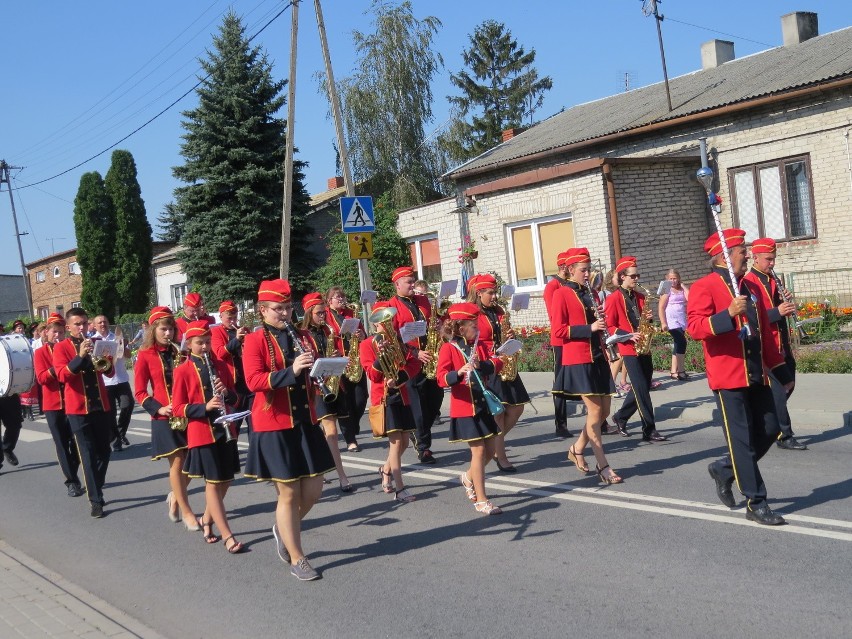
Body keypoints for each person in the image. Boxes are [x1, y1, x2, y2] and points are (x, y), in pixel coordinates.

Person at [687, 228, 793, 526]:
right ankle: (756, 502)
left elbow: (764, 334)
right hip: (728, 375)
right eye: (741, 250)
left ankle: (725, 469)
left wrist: (781, 370)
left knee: (772, 426)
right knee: (742, 441)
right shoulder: (704, 286)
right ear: (724, 255)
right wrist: (727, 314)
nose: (746, 254)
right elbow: (694, 328)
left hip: (756, 372)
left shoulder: (751, 286)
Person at [243, 279, 335, 581]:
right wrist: (291, 370)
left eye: (286, 307)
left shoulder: (303, 335)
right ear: (263, 310)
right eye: (277, 309)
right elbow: (253, 381)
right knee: (288, 492)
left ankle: (283, 529)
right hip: (274, 424)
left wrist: (324, 370)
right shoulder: (255, 340)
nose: (284, 313)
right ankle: (298, 557)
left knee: (314, 489)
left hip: (304, 419)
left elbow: (312, 370)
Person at [551, 247, 623, 485]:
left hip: (597, 355)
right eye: (583, 269)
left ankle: (577, 448)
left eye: (589, 268)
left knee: (603, 412)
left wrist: (597, 318)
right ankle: (603, 465)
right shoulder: (561, 294)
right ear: (571, 270)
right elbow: (558, 331)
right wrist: (588, 328)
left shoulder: (589, 292)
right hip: (578, 358)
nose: (587, 273)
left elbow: (593, 322)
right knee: (594, 413)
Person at [172, 320, 244, 553]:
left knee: (227, 480)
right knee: (213, 483)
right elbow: (177, 408)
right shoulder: (182, 370)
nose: (204, 347)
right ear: (189, 345)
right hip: (202, 432)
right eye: (199, 343)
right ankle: (228, 535)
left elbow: (235, 397)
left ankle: (207, 520)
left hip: (225, 429)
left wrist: (227, 394)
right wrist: (204, 407)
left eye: (207, 342)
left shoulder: (221, 365)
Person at [134, 306, 200, 531]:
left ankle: (174, 496)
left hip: (186, 413)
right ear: (154, 329)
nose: (168, 333)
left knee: (193, 462)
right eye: (163, 329)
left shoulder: (180, 352)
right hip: (164, 417)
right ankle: (187, 511)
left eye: (171, 328)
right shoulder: (145, 355)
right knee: (178, 462)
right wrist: (159, 409)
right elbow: (140, 392)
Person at [436, 302, 504, 515]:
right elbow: (440, 378)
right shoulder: (449, 348)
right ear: (460, 327)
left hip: (483, 404)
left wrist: (479, 365)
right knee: (479, 450)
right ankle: (482, 500)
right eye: (473, 325)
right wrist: (458, 373)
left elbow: (497, 363)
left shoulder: (480, 345)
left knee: (491, 451)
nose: (478, 328)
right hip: (465, 408)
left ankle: (467, 477)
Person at [743, 238, 806, 451]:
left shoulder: (772, 280)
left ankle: (765, 418)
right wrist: (777, 311)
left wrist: (783, 301)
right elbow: (752, 317)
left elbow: (778, 312)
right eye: (768, 259)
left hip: (782, 344)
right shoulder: (749, 282)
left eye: (774, 259)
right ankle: (784, 435)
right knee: (778, 392)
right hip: (765, 348)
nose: (772, 263)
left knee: (789, 385)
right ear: (756, 257)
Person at [53, 307, 115, 518]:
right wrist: (79, 357)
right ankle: (96, 500)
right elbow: (62, 376)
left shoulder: (97, 342)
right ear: (68, 327)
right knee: (87, 454)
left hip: (100, 406)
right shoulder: (61, 348)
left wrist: (106, 360)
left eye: (84, 323)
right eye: (77, 324)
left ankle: (95, 485)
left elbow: (109, 371)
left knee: (105, 452)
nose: (82, 327)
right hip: (78, 409)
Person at [467, 273, 530, 472]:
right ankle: (501, 456)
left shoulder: (499, 310)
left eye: (495, 293)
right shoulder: (472, 313)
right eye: (490, 293)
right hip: (487, 364)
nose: (495, 296)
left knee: (517, 407)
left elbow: (503, 331)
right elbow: (468, 340)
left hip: (504, 361)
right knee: (499, 413)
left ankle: (495, 443)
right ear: (479, 293)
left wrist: (510, 335)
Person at [360, 300, 421, 503]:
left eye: (389, 320)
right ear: (375, 324)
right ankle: (400, 489)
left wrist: (401, 378)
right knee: (396, 444)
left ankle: (386, 470)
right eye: (382, 322)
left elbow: (414, 364)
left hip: (401, 394)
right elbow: (371, 374)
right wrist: (382, 356)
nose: (386, 325)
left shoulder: (398, 341)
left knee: (404, 442)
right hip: (385, 398)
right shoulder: (367, 344)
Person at [605, 257, 668, 442]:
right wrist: (628, 335)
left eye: (637, 275)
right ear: (622, 276)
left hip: (644, 347)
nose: (636, 279)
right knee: (641, 389)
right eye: (633, 276)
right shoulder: (614, 298)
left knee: (642, 387)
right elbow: (609, 326)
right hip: (628, 348)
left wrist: (648, 318)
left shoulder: (640, 297)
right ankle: (649, 429)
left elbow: (642, 322)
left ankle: (621, 417)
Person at [387, 266, 443, 464]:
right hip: (409, 362)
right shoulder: (391, 307)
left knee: (436, 400)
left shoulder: (423, 301)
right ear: (397, 285)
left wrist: (437, 327)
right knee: (418, 407)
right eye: (408, 282)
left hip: (430, 359)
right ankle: (424, 448)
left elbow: (432, 324)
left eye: (413, 281)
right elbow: (392, 337)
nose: (412, 285)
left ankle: (417, 433)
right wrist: (414, 352)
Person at [299, 292, 352, 493]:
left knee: (322, 433)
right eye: (319, 313)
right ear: (309, 313)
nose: (323, 316)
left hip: (333, 384)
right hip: (316, 388)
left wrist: (336, 357)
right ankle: (342, 476)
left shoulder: (328, 331)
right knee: (331, 431)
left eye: (324, 312)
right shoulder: (303, 334)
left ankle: (316, 469)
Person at [33, 313, 83, 496]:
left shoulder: (69, 349)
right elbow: (41, 378)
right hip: (53, 405)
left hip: (72, 402)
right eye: (54, 332)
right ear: (46, 333)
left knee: (78, 443)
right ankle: (71, 481)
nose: (58, 335)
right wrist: (58, 368)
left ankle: (73, 471)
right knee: (61, 444)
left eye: (61, 332)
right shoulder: (40, 353)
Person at [325, 287, 367, 452]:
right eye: (337, 297)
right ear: (330, 301)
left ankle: (352, 427)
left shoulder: (351, 312)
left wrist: (361, 335)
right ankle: (351, 439)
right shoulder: (326, 315)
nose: (341, 299)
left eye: (342, 296)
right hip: (340, 362)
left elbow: (363, 333)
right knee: (346, 401)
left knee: (361, 398)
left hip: (356, 359)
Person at [91, 315, 134, 452]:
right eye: (100, 322)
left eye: (105, 321)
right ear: (94, 325)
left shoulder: (117, 336)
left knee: (128, 405)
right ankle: (116, 441)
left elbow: (128, 355)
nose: (103, 324)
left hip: (121, 378)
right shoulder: (92, 340)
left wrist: (124, 347)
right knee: (110, 414)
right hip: (104, 381)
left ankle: (120, 434)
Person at [211, 300, 251, 438]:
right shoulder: (216, 332)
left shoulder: (243, 331)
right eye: (229, 318)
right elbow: (220, 353)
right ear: (221, 316)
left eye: (235, 317)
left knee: (255, 427)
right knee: (234, 426)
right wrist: (237, 340)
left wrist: (248, 339)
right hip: (233, 385)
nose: (233, 321)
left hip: (248, 383)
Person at [543, 251, 573, 438]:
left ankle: (600, 421)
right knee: (560, 381)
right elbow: (555, 317)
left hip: (577, 337)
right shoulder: (553, 286)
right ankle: (560, 424)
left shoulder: (571, 286)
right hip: (562, 339)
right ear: (564, 268)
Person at [658, 268, 690, 380]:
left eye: (675, 278)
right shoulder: (667, 290)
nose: (673, 281)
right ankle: (681, 370)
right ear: (667, 279)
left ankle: (673, 371)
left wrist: (684, 286)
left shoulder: (681, 289)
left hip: (681, 319)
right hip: (671, 320)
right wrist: (663, 323)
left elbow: (690, 298)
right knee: (682, 342)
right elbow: (661, 307)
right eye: (670, 279)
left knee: (677, 343)